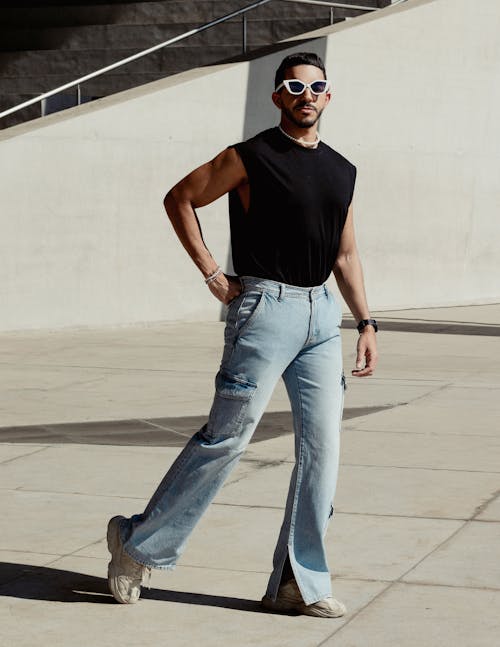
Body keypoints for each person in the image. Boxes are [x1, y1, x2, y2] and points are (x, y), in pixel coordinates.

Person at [106, 51, 378, 618]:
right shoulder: (251, 156)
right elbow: (180, 198)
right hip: (265, 309)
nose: (307, 94)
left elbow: (346, 254)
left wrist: (366, 321)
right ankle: (136, 545)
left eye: (317, 86)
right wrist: (211, 271)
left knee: (323, 452)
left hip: (322, 319)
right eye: (294, 86)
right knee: (227, 439)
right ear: (278, 97)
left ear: (329, 97)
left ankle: (295, 583)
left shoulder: (342, 170)